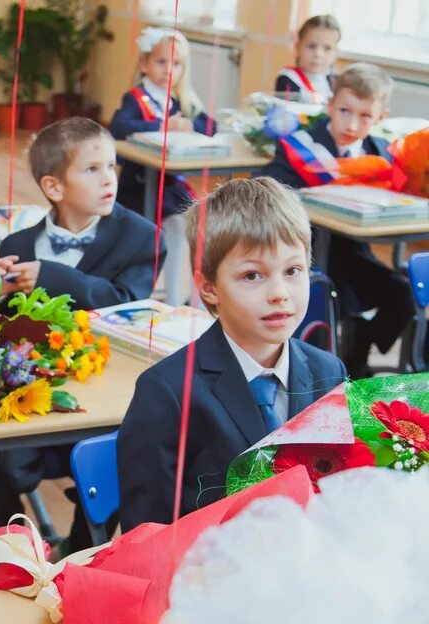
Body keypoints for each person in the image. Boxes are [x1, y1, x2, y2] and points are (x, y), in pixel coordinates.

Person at [116, 177, 346, 531]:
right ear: (208, 288)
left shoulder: (328, 372)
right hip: (203, 576)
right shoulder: (166, 393)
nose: (279, 293)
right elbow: (146, 533)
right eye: (253, 275)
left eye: (292, 271)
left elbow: (338, 493)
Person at [0, 117, 160, 532]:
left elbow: (128, 303)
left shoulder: (141, 236)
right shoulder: (16, 246)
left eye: (111, 166)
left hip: (106, 393)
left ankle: (81, 550)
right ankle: (0, 554)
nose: (109, 178)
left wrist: (54, 277)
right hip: (32, 394)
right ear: (54, 188)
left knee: (105, 471)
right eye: (92, 169)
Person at [262, 63, 409, 378]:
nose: (352, 124)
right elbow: (269, 191)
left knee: (402, 293)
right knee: (329, 301)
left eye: (365, 116)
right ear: (330, 104)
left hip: (353, 254)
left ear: (381, 117)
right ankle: (320, 372)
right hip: (308, 253)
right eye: (344, 110)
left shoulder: (380, 153)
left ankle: (361, 344)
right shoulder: (299, 145)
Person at [109, 27, 214, 306]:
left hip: (169, 188)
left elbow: (211, 125)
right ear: (144, 64)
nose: (169, 70)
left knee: (193, 225)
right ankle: (169, 297)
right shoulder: (136, 98)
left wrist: (190, 124)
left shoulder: (181, 101)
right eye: (161, 62)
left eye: (176, 64)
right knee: (168, 230)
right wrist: (161, 125)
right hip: (139, 186)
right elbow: (119, 126)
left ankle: (190, 298)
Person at [275, 15, 341, 103]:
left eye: (327, 48)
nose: (318, 54)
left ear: (336, 53)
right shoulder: (288, 78)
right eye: (311, 46)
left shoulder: (336, 81)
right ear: (298, 47)